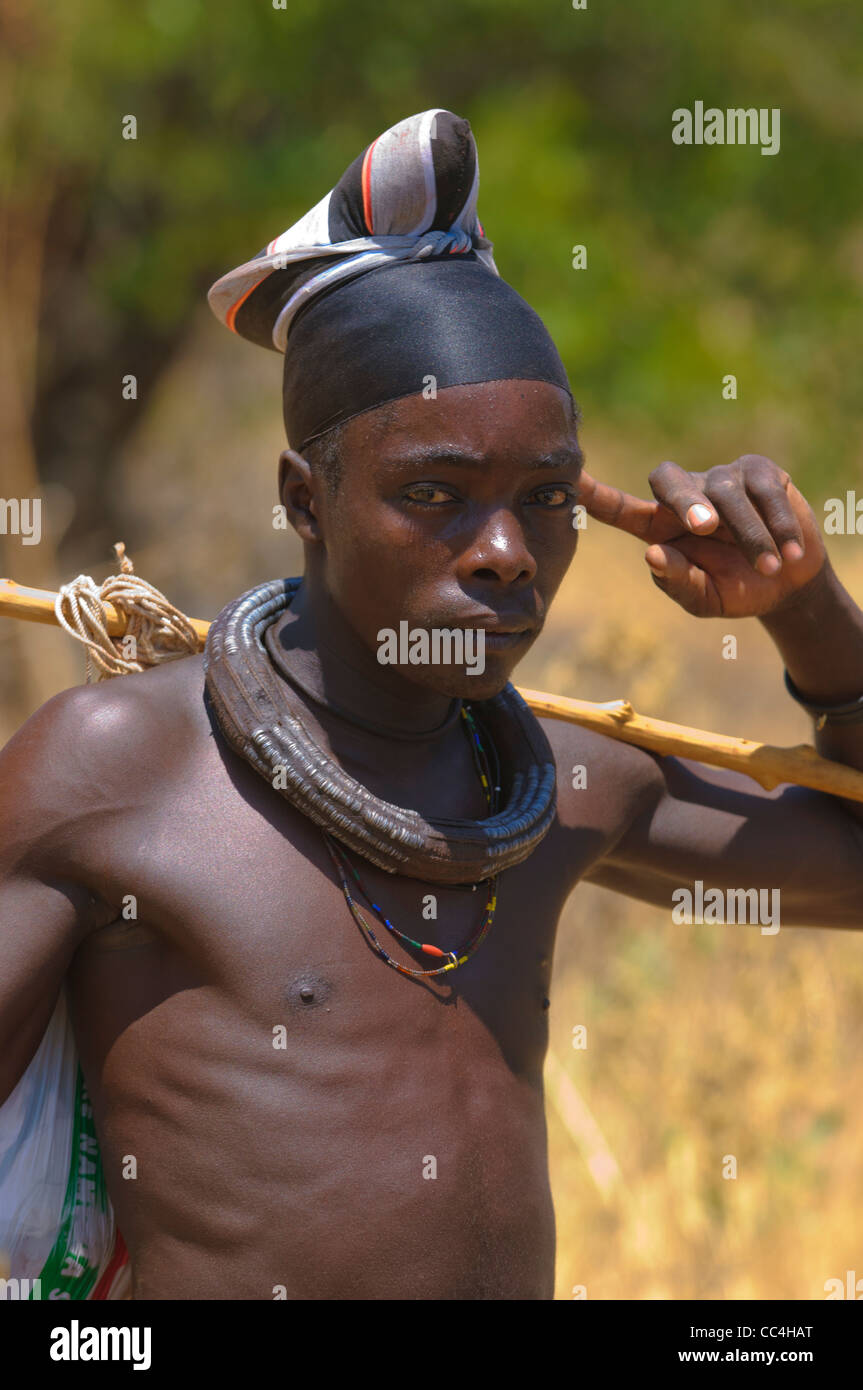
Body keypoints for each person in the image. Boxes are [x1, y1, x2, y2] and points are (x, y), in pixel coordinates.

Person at [2, 110, 863, 1301]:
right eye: (435, 494)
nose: (505, 551)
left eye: (545, 499)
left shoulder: (567, 782)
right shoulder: (126, 766)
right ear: (306, 498)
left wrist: (805, 608)